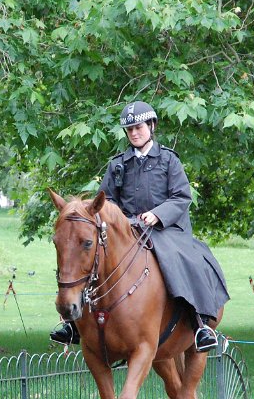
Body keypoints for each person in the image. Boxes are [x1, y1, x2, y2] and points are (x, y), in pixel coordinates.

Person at [50, 100, 229, 352]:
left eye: (139, 127)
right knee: (90, 258)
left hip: (165, 230)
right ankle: (73, 324)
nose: (134, 133)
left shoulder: (169, 160)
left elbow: (181, 197)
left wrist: (157, 214)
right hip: (127, 230)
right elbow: (106, 202)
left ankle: (200, 324)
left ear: (151, 126)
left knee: (183, 260)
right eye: (130, 129)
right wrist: (119, 220)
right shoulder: (117, 164)